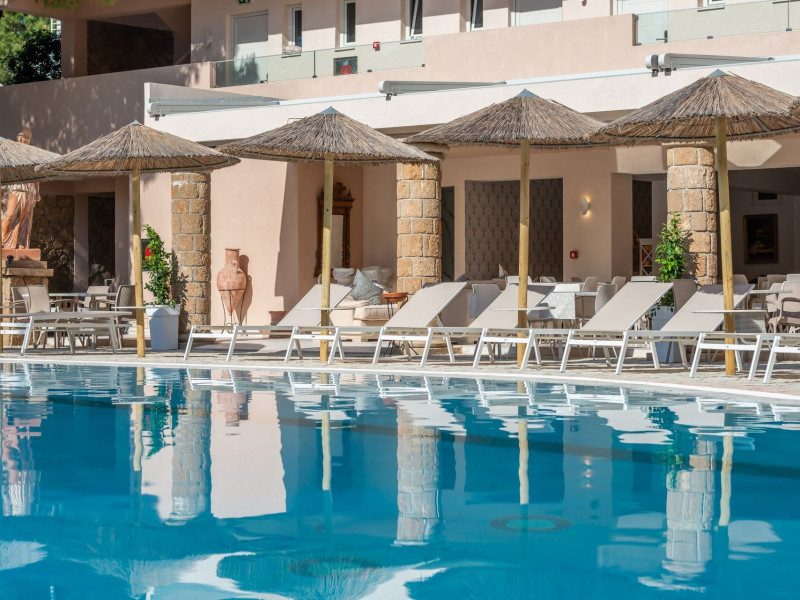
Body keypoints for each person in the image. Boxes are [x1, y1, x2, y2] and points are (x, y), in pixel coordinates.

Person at [1, 128, 41, 250]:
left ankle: (20, 243)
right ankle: (3, 240)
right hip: (16, 188)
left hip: (29, 191)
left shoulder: (32, 154)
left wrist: (37, 192)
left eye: (27, 138)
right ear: (18, 138)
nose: (24, 140)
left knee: (24, 220)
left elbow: (36, 174)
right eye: (23, 137)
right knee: (9, 215)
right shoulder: (12, 152)